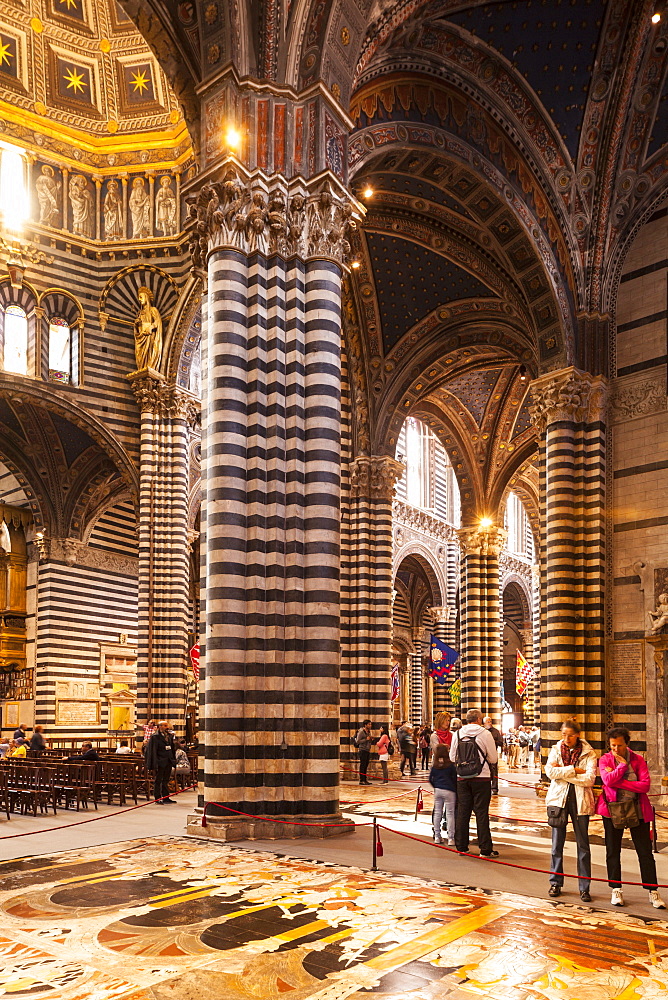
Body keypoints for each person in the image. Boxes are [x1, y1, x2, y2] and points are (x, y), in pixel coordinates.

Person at [596, 726, 666, 909]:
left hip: (638, 809)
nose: (616, 750)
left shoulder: (638, 759)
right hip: (612, 810)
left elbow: (645, 786)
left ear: (627, 744)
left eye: (619, 746)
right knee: (613, 851)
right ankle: (616, 888)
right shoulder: (605, 759)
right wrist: (622, 767)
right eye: (612, 746)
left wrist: (620, 781)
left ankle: (653, 891)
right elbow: (607, 781)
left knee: (644, 852)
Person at [545, 719, 596, 902]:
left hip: (580, 800)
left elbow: (589, 779)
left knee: (583, 845)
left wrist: (565, 773)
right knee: (556, 844)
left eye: (570, 735)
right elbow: (550, 772)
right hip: (560, 799)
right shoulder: (556, 749)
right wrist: (575, 770)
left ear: (578, 735)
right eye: (563, 734)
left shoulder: (589, 753)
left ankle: (584, 887)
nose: (566, 738)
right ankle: (555, 883)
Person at [451, 709, 499, 857]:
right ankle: (485, 849)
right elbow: (493, 758)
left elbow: (452, 757)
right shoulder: (485, 734)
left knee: (463, 812)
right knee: (481, 813)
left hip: (462, 778)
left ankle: (462, 847)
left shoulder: (458, 734)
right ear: (479, 719)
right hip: (482, 778)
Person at [429, 743, 457, 845]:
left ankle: (437, 836)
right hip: (449, 790)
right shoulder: (450, 766)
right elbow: (454, 778)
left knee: (437, 813)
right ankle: (451, 838)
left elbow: (430, 779)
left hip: (438, 790)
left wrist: (436, 785)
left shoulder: (435, 766)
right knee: (450, 814)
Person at [145, 720, 177, 803]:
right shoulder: (155, 737)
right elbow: (152, 750)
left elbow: (172, 748)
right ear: (160, 727)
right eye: (165, 726)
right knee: (158, 780)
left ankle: (166, 797)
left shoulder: (169, 736)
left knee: (166, 780)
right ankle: (157, 798)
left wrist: (173, 760)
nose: (167, 727)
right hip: (160, 761)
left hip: (168, 761)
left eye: (167, 726)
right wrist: (154, 762)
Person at [483, 716, 503, 794]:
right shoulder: (482, 731)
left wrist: (492, 741)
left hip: (493, 752)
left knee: (494, 771)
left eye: (490, 721)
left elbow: (501, 742)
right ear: (484, 723)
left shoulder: (496, 731)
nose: (490, 723)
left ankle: (494, 788)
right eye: (488, 721)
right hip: (483, 754)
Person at [354, 719, 373, 785]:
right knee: (363, 765)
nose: (370, 725)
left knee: (366, 765)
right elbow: (358, 741)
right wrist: (366, 739)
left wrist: (370, 739)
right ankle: (361, 780)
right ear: (365, 725)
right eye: (369, 724)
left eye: (370, 724)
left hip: (367, 750)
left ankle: (365, 779)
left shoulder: (368, 732)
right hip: (362, 750)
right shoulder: (361, 732)